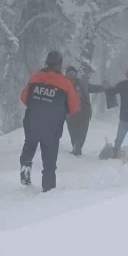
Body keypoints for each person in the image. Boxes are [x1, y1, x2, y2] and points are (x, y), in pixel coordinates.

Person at [20, 51, 79, 192]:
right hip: (52, 127)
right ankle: (48, 187)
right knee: (49, 158)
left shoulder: (35, 77)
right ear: (60, 64)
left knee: (29, 145)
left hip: (32, 122)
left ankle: (25, 168)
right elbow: (73, 108)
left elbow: (24, 98)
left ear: (46, 62)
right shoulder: (65, 83)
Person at [65, 65, 105, 156]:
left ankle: (78, 149)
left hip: (83, 112)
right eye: (69, 73)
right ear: (66, 74)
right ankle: (75, 147)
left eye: (73, 73)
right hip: (70, 114)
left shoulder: (82, 84)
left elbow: (93, 88)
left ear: (76, 74)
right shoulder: (63, 84)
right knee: (73, 132)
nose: (71, 75)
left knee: (82, 132)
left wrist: (103, 87)